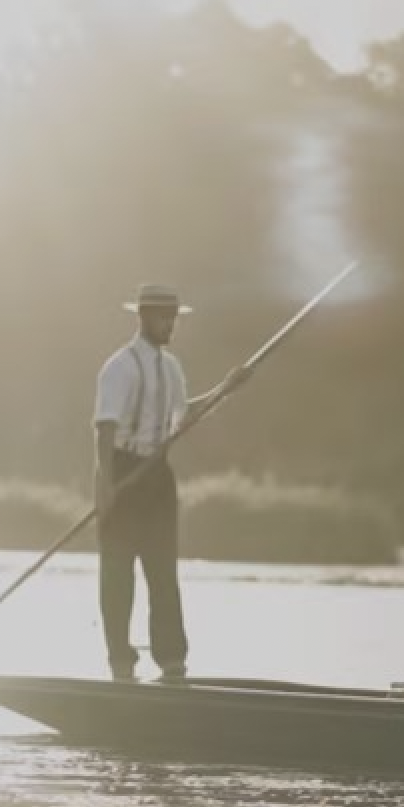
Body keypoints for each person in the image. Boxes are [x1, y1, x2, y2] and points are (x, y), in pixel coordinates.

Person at [92, 283, 249, 682]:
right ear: (144, 317)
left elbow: (184, 414)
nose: (171, 325)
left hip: (157, 474)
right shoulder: (119, 367)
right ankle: (121, 664)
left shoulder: (172, 368)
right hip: (123, 469)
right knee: (118, 575)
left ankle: (172, 662)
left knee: (163, 572)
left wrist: (225, 389)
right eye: (165, 318)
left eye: (174, 318)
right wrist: (106, 484)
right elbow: (105, 428)